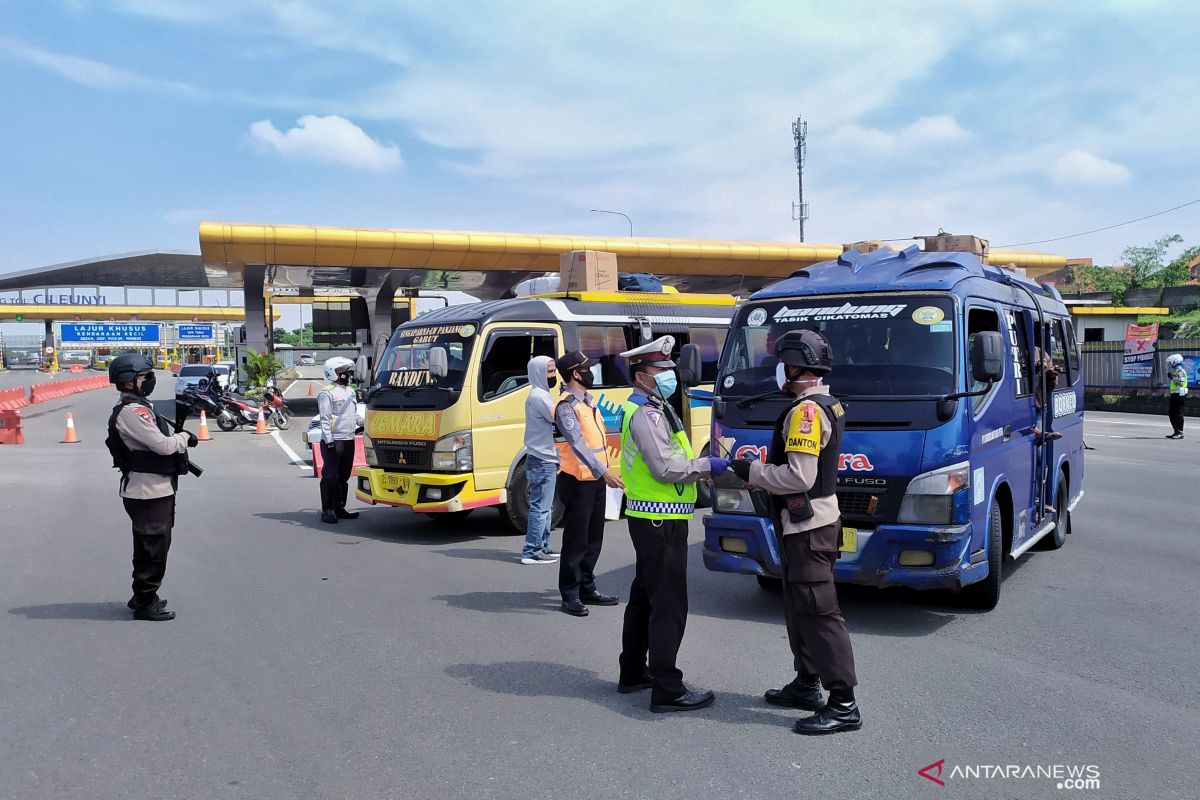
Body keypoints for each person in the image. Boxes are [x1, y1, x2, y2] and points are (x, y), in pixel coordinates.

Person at [729, 329, 861, 735]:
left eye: (783, 365)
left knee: (819, 612)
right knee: (799, 607)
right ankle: (807, 684)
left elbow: (799, 476)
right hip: (805, 524)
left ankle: (843, 704)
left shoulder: (806, 412)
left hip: (809, 527)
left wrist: (751, 471)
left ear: (797, 367)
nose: (779, 372)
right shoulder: (825, 402)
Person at [616, 335, 729, 712]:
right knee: (668, 605)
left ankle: (632, 672)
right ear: (640, 376)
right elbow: (665, 467)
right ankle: (667, 687)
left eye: (671, 369)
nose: (669, 376)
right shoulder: (646, 413)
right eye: (660, 370)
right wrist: (706, 466)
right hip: (659, 520)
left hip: (655, 519)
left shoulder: (655, 406)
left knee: (645, 598)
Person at [105, 353, 197, 621]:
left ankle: (143, 595)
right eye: (145, 376)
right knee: (152, 549)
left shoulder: (141, 407)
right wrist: (184, 437)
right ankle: (145, 602)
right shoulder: (132, 412)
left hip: (157, 488)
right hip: (146, 491)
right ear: (128, 382)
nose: (151, 380)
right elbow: (163, 445)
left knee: (155, 546)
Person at [553, 351, 625, 616]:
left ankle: (587, 587)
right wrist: (604, 472)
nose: (591, 372)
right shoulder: (566, 405)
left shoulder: (588, 403)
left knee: (594, 537)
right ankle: (569, 595)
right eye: (587, 368)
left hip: (594, 479)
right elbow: (577, 443)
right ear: (575, 374)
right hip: (577, 480)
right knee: (576, 539)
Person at [520, 355, 560, 564]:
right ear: (538, 373)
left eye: (553, 371)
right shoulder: (540, 397)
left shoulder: (539, 394)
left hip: (543, 458)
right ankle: (531, 550)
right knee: (541, 507)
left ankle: (544, 546)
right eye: (549, 372)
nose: (553, 376)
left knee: (545, 507)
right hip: (542, 459)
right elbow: (559, 418)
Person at [318, 356, 360, 525]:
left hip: (349, 439)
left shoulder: (350, 391)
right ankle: (327, 510)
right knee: (331, 477)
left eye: (346, 371)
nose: (346, 374)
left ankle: (339, 507)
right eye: (342, 371)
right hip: (334, 440)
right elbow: (325, 419)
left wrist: (368, 422)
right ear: (333, 373)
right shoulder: (326, 393)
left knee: (344, 475)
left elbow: (354, 415)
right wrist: (329, 441)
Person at [1166, 353, 1188, 439]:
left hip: (1179, 395)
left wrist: (1172, 378)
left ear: (1175, 362)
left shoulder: (1180, 371)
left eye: (1171, 362)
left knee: (1178, 413)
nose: (1170, 364)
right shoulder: (1175, 371)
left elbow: (1181, 383)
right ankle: (1176, 431)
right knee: (1171, 413)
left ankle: (1180, 432)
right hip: (1174, 394)